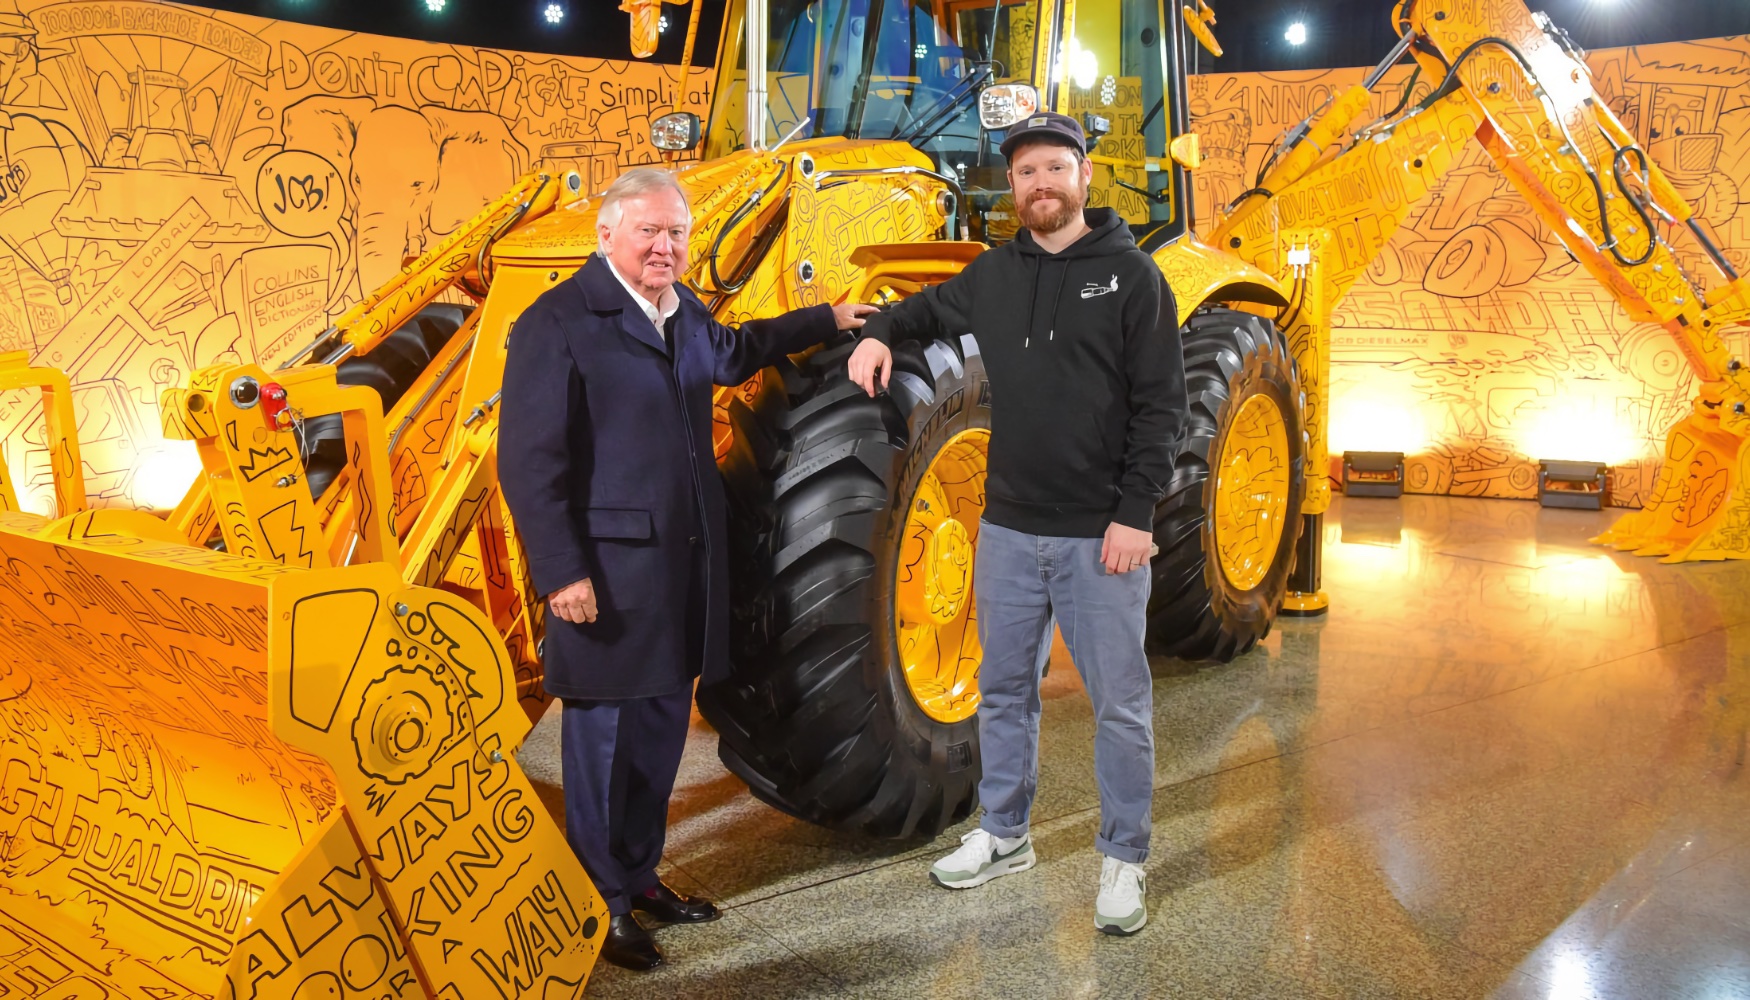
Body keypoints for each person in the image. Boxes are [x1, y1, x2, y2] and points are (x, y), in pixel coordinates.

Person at [499, 167, 876, 971]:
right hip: (603, 576)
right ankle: (595, 903)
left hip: (682, 573)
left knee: (660, 737)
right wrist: (561, 572)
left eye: (677, 233)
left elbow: (739, 353)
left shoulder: (684, 311)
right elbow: (529, 463)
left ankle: (638, 878)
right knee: (601, 744)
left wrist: (826, 317)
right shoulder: (558, 323)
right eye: (649, 232)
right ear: (607, 237)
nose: (666, 246)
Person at [846, 112, 1186, 936]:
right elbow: (921, 311)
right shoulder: (993, 275)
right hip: (1006, 531)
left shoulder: (1133, 278)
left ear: (1083, 176)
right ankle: (1004, 835)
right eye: (1027, 171)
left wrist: (1135, 516)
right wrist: (877, 335)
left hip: (1100, 536)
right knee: (1002, 693)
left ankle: (1123, 859)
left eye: (1056, 168)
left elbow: (1162, 408)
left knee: (1119, 704)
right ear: (1014, 185)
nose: (1041, 184)